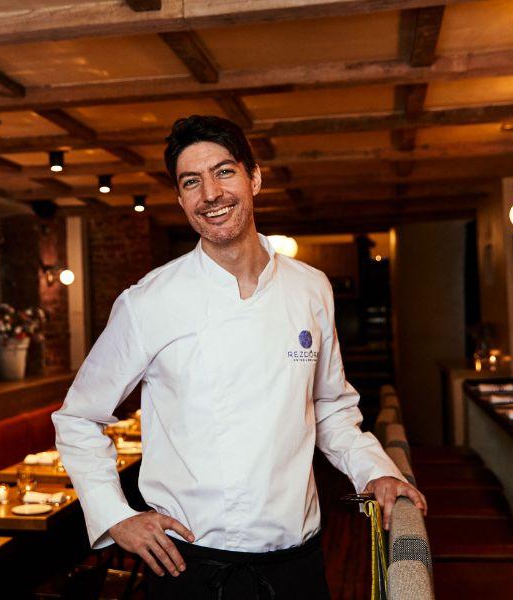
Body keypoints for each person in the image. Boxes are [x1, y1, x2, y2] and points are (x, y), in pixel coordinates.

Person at [52, 115, 426, 599]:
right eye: (192, 182)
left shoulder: (310, 287)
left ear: (254, 178)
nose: (211, 194)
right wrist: (115, 515)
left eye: (224, 172)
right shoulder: (147, 302)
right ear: (180, 198)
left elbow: (330, 408)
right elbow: (78, 417)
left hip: (298, 563)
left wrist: (376, 469)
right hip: (188, 568)